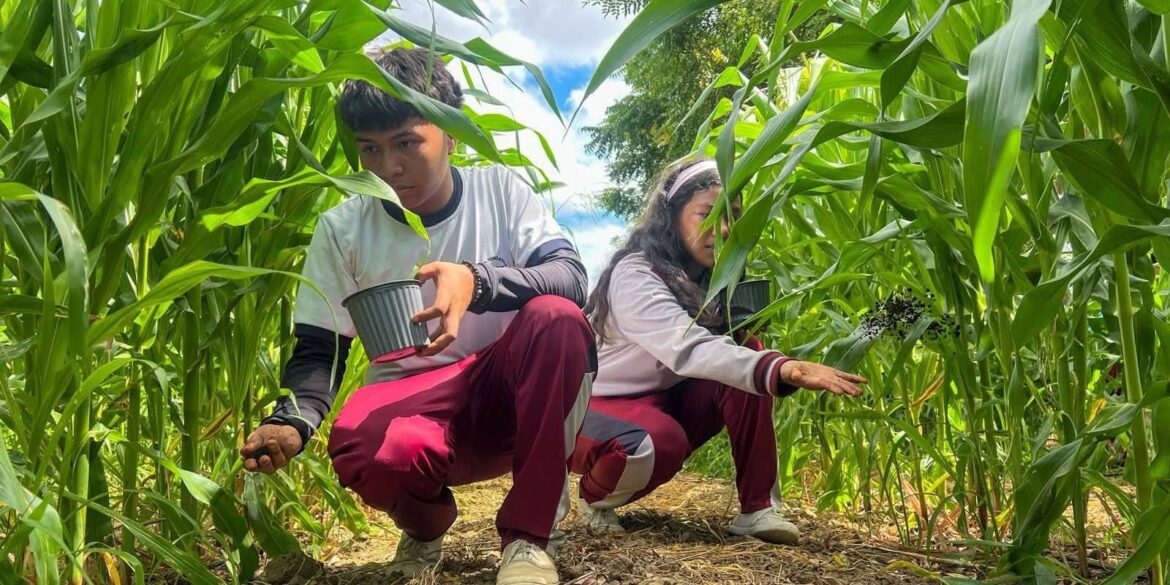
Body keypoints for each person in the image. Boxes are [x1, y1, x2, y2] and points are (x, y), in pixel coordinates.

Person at [239, 47, 595, 585]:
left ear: (451, 133)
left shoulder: (500, 191)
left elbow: (570, 276)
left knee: (557, 318)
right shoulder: (343, 229)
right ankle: (425, 527)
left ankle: (528, 539)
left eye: (407, 143)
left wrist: (478, 282)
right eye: (370, 150)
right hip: (413, 404)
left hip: (504, 396)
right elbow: (320, 349)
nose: (390, 168)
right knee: (366, 447)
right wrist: (291, 422)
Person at [569, 157, 866, 544]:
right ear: (673, 216)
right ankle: (594, 498)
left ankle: (758, 508)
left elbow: (729, 356)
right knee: (656, 442)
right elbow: (685, 347)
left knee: (748, 349)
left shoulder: (714, 282)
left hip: (659, 399)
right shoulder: (636, 274)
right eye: (707, 215)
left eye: (733, 217)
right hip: (594, 407)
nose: (724, 229)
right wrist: (785, 369)